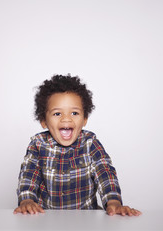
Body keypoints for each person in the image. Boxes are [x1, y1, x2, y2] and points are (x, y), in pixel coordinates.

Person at [14, 74, 141, 216]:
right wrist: (27, 200)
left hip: (86, 219)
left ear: (85, 119)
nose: (66, 118)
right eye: (57, 114)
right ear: (43, 121)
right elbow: (29, 175)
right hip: (47, 219)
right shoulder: (38, 144)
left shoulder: (90, 143)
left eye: (74, 113)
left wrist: (113, 202)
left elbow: (105, 173)